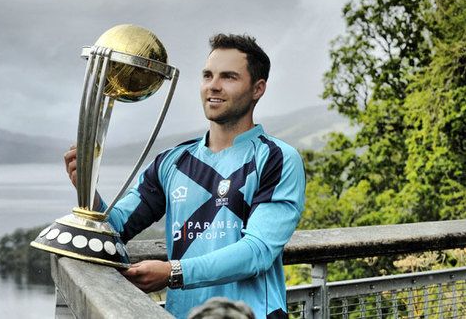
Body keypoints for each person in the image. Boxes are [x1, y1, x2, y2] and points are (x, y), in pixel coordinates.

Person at [63, 34, 306, 319]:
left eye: (229, 77)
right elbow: (115, 227)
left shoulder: (277, 158)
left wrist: (174, 273)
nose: (213, 86)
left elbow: (257, 252)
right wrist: (87, 188)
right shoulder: (172, 161)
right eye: (207, 75)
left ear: (257, 89)